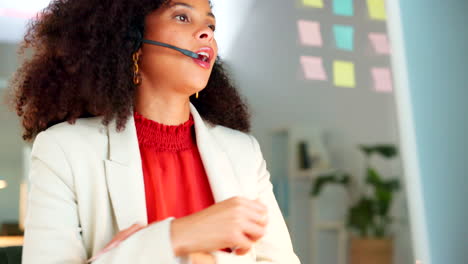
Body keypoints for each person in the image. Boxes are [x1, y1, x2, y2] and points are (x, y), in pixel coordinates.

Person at [10, 0, 301, 263]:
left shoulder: (243, 152)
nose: (207, 33)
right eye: (182, 17)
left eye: (210, 24)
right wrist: (178, 235)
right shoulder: (62, 149)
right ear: (131, 39)